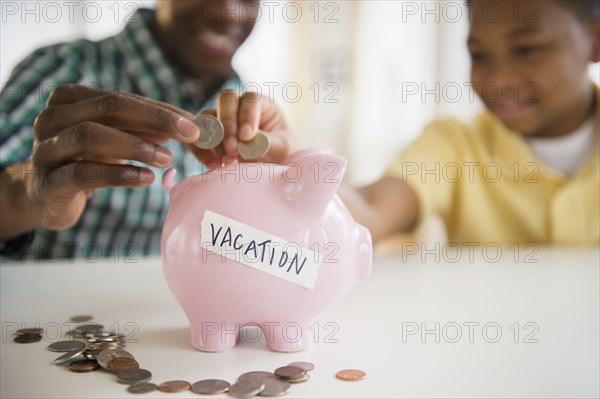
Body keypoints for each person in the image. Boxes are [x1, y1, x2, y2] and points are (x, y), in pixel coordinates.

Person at [0, 0, 296, 259]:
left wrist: (296, 168)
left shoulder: (253, 109)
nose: (227, 11)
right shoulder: (63, 68)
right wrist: (26, 196)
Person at [344, 0, 600, 246]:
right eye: (478, 56)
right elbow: (370, 208)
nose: (498, 81)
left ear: (595, 39)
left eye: (527, 49)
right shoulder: (453, 143)